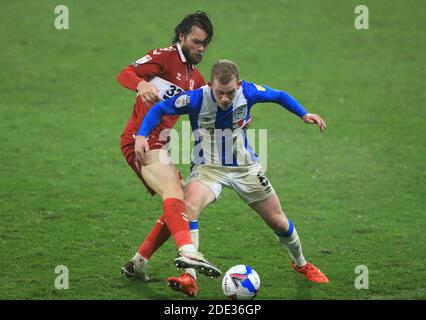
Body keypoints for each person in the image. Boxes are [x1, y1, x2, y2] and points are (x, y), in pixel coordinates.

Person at [135, 59, 329, 296]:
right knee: (188, 208)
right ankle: (189, 277)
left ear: (238, 85)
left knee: (278, 221)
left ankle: (301, 264)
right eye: (219, 93)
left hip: (245, 168)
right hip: (208, 168)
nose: (225, 99)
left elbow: (279, 95)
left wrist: (304, 113)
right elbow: (159, 109)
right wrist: (141, 135)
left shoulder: (248, 92)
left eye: (230, 93)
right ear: (210, 85)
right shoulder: (196, 98)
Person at [117, 11, 221, 281]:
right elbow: (125, 73)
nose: (201, 48)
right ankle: (188, 251)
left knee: (181, 203)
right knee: (174, 192)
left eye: (205, 43)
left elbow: (202, 112)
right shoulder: (164, 56)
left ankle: (138, 263)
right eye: (196, 41)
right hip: (138, 141)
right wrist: (140, 84)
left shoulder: (195, 78)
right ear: (182, 36)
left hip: (159, 145)